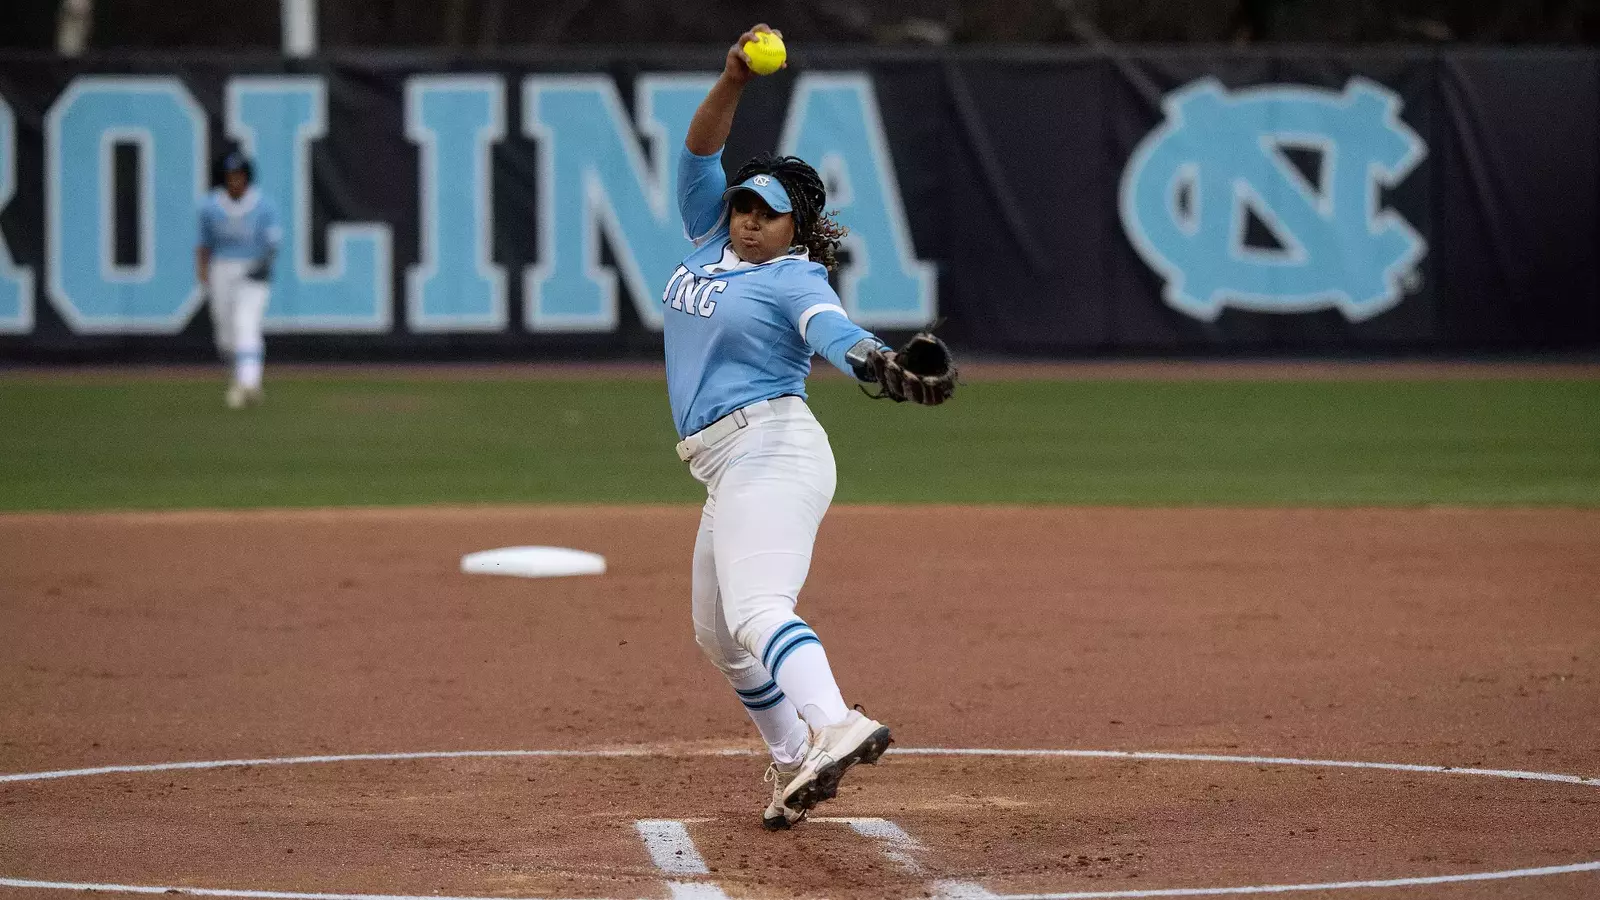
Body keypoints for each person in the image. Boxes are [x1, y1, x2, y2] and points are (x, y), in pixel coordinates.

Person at [664, 24, 954, 830]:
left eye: (770, 212)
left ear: (800, 228)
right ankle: (795, 761)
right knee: (719, 636)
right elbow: (696, 155)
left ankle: (836, 723)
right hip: (726, 465)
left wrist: (878, 362)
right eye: (745, 204)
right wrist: (732, 79)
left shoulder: (795, 278)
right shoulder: (706, 238)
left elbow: (832, 329)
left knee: (759, 608)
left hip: (773, 448)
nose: (751, 219)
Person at [197, 151, 280, 409]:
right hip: (221, 268)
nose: (235, 182)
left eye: (240, 176)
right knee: (225, 334)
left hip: (252, 269)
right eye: (231, 176)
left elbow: (273, 242)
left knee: (247, 324)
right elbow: (203, 244)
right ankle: (239, 380)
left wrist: (265, 265)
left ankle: (249, 383)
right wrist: (202, 270)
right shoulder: (210, 206)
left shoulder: (264, 205)